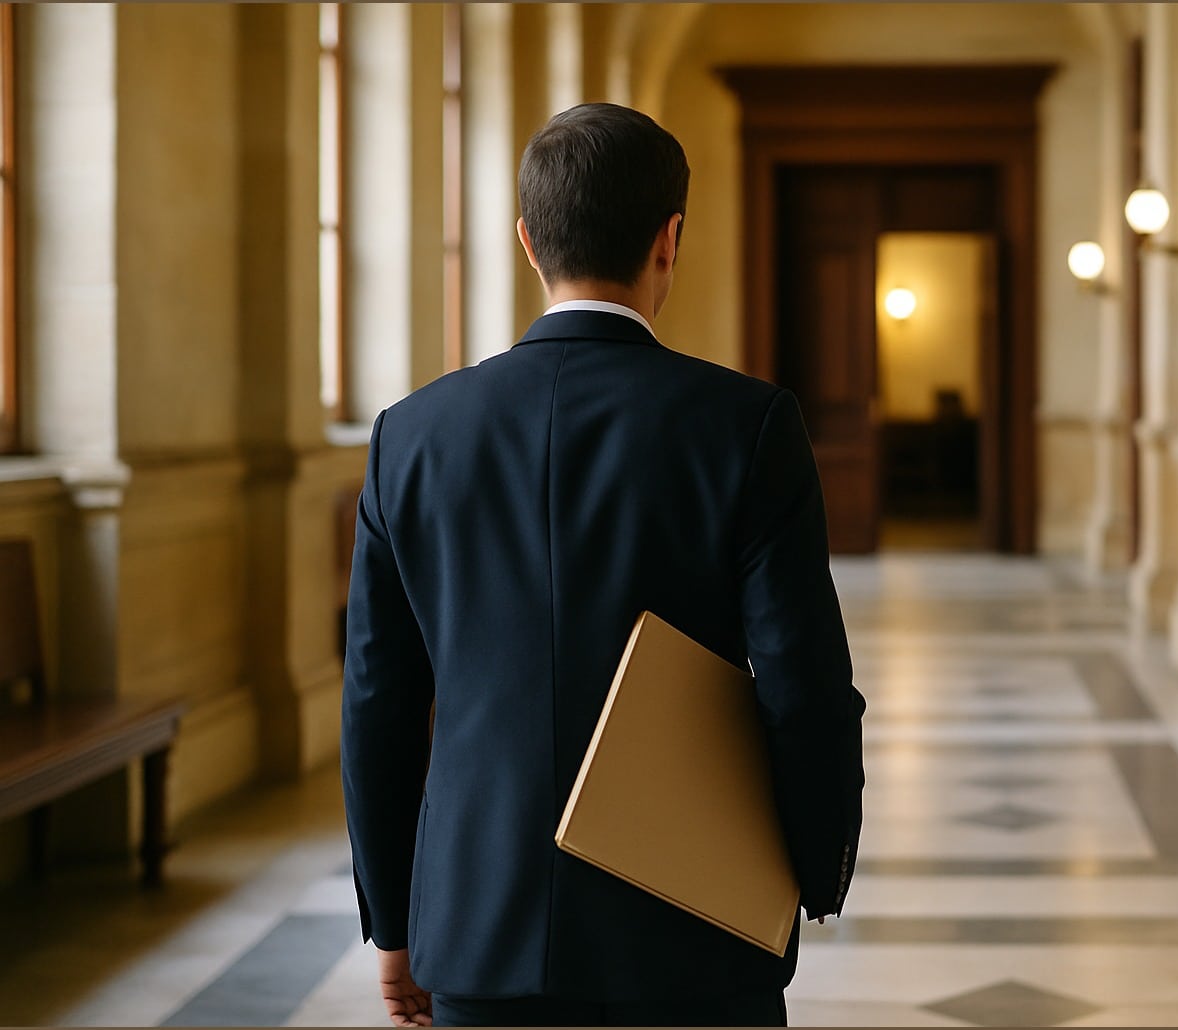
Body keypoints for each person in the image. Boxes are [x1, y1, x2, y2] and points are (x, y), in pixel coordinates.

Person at [340, 102, 866, 1028]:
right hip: (694, 927)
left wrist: (394, 922)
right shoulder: (743, 426)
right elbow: (804, 686)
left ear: (527, 240)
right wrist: (813, 872)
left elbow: (378, 704)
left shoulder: (410, 437)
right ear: (670, 240)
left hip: (477, 927)